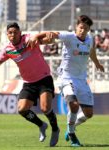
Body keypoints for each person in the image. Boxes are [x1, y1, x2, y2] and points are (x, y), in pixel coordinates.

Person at [0, 22, 59, 147]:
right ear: (7, 35)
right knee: (22, 109)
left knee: (45, 108)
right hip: (29, 83)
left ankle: (55, 129)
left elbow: (46, 39)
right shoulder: (8, 50)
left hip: (44, 78)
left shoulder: (28, 39)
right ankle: (42, 125)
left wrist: (46, 35)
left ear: (20, 33)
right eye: (10, 33)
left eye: (15, 32)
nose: (13, 34)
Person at [30, 15, 104, 147]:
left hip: (81, 79)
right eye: (81, 27)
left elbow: (91, 51)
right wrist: (36, 37)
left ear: (88, 30)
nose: (82, 30)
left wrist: (97, 64)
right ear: (76, 27)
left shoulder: (90, 39)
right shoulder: (69, 36)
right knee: (74, 105)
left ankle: (72, 126)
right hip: (66, 77)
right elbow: (52, 33)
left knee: (89, 114)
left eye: (86, 29)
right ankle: (71, 133)